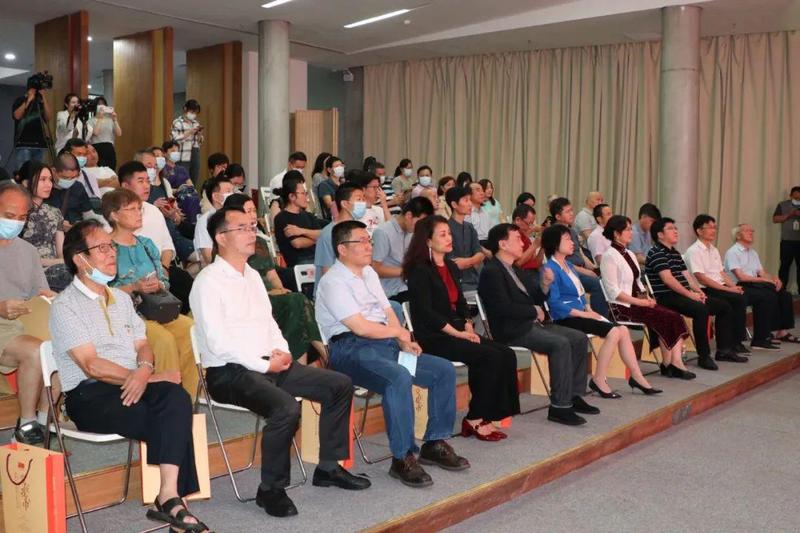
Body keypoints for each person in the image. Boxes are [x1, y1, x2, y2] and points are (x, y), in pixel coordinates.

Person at [190, 207, 369, 517]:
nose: (252, 233)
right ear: (221, 238)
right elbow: (219, 343)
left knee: (339, 385)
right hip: (229, 373)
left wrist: (283, 352)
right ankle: (270, 489)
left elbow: (269, 323)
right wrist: (264, 365)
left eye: (252, 227)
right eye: (242, 228)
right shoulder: (208, 282)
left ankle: (328, 467)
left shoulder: (252, 276)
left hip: (269, 364)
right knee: (286, 407)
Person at [49, 219, 211, 533]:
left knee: (176, 397)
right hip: (90, 395)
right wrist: (141, 378)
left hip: (133, 381)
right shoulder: (65, 306)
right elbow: (91, 365)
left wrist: (145, 370)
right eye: (102, 248)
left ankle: (169, 496)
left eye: (111, 246)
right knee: (168, 416)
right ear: (80, 259)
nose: (112, 253)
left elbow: (142, 346)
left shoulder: (121, 299)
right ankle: (173, 505)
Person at [315, 220, 470, 488]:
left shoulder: (369, 273)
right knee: (398, 377)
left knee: (442, 370)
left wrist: (403, 340)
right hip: (350, 350)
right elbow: (360, 327)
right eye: (362, 241)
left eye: (369, 240)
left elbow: (388, 311)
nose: (369, 246)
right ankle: (402, 457)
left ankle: (434, 442)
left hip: (385, 346)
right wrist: (399, 334)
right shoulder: (333, 282)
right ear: (342, 249)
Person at [404, 216, 519, 440]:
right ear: (428, 241)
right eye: (443, 234)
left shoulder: (450, 265)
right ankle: (474, 418)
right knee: (488, 356)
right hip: (434, 336)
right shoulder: (419, 270)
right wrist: (458, 333)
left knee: (505, 353)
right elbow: (426, 313)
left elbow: (461, 302)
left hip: (457, 330)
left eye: (449, 233)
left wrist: (467, 322)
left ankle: (491, 413)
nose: (449, 238)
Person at [478, 223, 599, 426]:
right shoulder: (492, 271)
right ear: (503, 244)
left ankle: (574, 395)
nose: (522, 243)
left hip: (531, 324)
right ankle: (560, 407)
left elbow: (533, 298)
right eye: (517, 239)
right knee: (559, 343)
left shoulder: (514, 268)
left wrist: (544, 285)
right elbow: (502, 308)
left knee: (578, 338)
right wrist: (533, 311)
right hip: (512, 329)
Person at [542, 224, 660, 398]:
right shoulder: (549, 268)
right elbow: (554, 304)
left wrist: (588, 308)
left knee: (623, 329)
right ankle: (599, 379)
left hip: (581, 313)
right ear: (554, 243)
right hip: (565, 317)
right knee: (614, 331)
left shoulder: (569, 266)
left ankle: (637, 377)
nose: (572, 242)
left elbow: (580, 293)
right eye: (567, 239)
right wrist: (585, 314)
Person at [102, 188, 198, 399]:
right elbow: (101, 291)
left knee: (190, 329)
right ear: (114, 215)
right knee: (163, 340)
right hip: (127, 318)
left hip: (156, 309)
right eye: (131, 209)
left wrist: (158, 284)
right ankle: (168, 399)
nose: (138, 213)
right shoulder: (105, 248)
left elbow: (164, 279)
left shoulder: (146, 244)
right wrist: (133, 287)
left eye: (139, 209)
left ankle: (190, 399)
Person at [223, 194, 325, 362]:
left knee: (297, 303)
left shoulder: (260, 242)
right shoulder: (226, 247)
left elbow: (272, 273)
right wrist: (270, 293)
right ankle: (324, 355)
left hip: (273, 295)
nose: (253, 215)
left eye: (254, 210)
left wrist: (280, 288)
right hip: (252, 300)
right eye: (248, 211)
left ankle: (308, 363)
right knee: (298, 301)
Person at [644, 217, 747, 371]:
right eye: (671, 228)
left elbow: (687, 277)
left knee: (724, 306)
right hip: (666, 297)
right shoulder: (656, 252)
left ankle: (724, 350)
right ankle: (704, 356)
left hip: (681, 294)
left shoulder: (675, 253)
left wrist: (698, 291)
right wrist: (690, 295)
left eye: (676, 228)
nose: (676, 231)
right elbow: (668, 280)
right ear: (660, 234)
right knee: (701, 310)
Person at [599, 215, 694, 380]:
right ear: (616, 233)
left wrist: (648, 298)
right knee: (668, 316)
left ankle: (671, 363)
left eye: (631, 229)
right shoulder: (609, 256)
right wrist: (640, 302)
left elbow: (638, 282)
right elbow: (613, 292)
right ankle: (673, 364)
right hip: (622, 307)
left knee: (673, 315)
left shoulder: (629, 253)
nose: (631, 232)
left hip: (638, 302)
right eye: (627, 229)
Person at [0, 181, 52, 445]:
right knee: (36, 350)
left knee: (66, 341)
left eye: (22, 218)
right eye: (9, 216)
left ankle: (44, 418)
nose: (16, 223)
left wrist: (50, 298)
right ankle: (27, 423)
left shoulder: (28, 251)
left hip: (25, 318)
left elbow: (39, 292)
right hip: (2, 324)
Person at [684, 214, 751, 356]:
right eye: (709, 227)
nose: (713, 230)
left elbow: (721, 273)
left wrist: (732, 286)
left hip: (718, 286)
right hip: (705, 289)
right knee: (734, 300)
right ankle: (727, 346)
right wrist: (728, 289)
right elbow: (702, 278)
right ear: (699, 231)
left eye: (715, 227)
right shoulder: (694, 251)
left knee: (741, 296)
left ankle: (735, 341)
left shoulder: (713, 249)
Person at [726, 223, 797, 347]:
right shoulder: (733, 252)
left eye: (752, 231)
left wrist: (774, 278)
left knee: (784, 294)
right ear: (738, 236)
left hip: (754, 284)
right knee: (767, 296)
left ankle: (781, 331)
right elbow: (741, 277)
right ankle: (761, 337)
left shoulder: (753, 252)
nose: (751, 233)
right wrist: (764, 280)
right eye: (747, 231)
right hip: (739, 286)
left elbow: (762, 273)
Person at [549, 197, 609, 317]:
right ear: (558, 216)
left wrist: (594, 267)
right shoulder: (554, 233)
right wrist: (585, 271)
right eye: (567, 211)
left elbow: (579, 252)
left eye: (571, 210)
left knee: (606, 278)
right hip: (567, 272)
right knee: (597, 284)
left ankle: (607, 315)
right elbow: (559, 261)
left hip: (581, 268)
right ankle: (600, 318)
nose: (572, 213)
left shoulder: (572, 231)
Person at [370, 196, 434, 303]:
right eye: (420, 222)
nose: (421, 227)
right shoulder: (383, 232)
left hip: (410, 285)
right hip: (391, 291)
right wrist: (409, 271)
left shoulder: (412, 232)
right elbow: (376, 269)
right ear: (409, 216)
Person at [20, 161, 71, 291]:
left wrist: (60, 262)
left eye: (50, 180)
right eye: (42, 179)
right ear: (26, 182)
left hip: (57, 268)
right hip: (27, 269)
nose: (48, 184)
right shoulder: (17, 213)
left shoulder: (55, 212)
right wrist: (58, 263)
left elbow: (61, 251)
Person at [313, 183, 365, 289]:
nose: (363, 203)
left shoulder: (360, 230)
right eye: (359, 199)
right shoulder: (328, 234)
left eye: (363, 199)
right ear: (345, 204)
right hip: (335, 291)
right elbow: (326, 274)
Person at [274, 171, 327, 269]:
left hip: (316, 259)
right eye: (303, 193)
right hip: (299, 263)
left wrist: (301, 231)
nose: (306, 197)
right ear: (292, 196)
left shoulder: (308, 216)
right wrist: (316, 239)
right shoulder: (282, 218)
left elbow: (323, 234)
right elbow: (297, 243)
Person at [445, 187, 484, 292]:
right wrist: (474, 260)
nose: (470, 204)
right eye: (466, 200)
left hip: (474, 278)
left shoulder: (469, 226)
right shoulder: (446, 228)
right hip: (458, 281)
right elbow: (455, 264)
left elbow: (480, 254)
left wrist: (469, 261)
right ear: (454, 204)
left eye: (470, 200)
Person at [45, 152, 97, 226]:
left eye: (74, 177)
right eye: (65, 177)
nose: (70, 180)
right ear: (53, 171)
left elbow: (88, 214)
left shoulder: (78, 187)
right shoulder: (43, 188)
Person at [12, 76, 52, 167]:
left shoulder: (40, 102)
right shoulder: (20, 100)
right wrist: (28, 100)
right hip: (24, 144)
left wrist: (44, 98)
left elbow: (48, 118)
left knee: (37, 172)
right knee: (24, 172)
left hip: (40, 144)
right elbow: (17, 116)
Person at [194, 174, 235, 265]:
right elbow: (209, 257)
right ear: (216, 196)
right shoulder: (204, 222)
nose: (233, 195)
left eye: (233, 191)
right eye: (228, 191)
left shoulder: (238, 216)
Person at [161, 140, 201, 225]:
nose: (176, 153)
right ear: (164, 153)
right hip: (171, 197)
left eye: (177, 151)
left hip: (185, 194)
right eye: (173, 151)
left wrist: (186, 188)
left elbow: (191, 185)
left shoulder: (181, 169)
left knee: (193, 197)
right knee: (189, 199)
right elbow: (163, 187)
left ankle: (194, 224)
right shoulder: (162, 169)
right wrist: (177, 190)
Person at [772, 186, 800, 293]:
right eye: (796, 197)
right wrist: (790, 214)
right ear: (790, 195)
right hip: (787, 241)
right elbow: (775, 219)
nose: (797, 199)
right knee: (784, 266)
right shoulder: (782, 205)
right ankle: (781, 291)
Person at [170, 99, 204, 183]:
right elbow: (174, 139)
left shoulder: (195, 123)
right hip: (183, 154)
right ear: (185, 109)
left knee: (194, 178)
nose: (194, 114)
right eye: (192, 112)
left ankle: (192, 191)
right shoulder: (177, 122)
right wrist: (189, 132)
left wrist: (200, 135)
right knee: (183, 180)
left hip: (195, 153)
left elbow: (199, 142)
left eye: (195, 113)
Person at [64, 138, 102, 207]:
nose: (82, 158)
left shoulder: (90, 177)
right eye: (79, 154)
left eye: (84, 155)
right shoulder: (57, 176)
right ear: (67, 154)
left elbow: (97, 203)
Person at [86, 96, 120, 170]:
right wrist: (100, 118)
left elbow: (119, 133)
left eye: (103, 104)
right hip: (97, 148)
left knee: (111, 169)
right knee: (99, 170)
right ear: (95, 106)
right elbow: (96, 133)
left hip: (109, 147)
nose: (102, 106)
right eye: (99, 104)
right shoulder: (90, 121)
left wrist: (115, 120)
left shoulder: (110, 120)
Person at [511, 204, 544, 278]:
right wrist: (534, 245)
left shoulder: (525, 237)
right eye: (529, 223)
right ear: (518, 220)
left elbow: (536, 263)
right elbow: (517, 264)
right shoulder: (510, 236)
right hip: (521, 275)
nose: (530, 227)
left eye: (532, 224)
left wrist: (543, 247)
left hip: (534, 273)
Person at [356, 171, 389, 235]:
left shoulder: (379, 210)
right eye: (374, 187)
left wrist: (384, 204)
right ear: (363, 190)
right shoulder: (357, 210)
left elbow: (391, 229)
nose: (377, 191)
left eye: (378, 187)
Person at [317, 156, 344, 221]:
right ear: (329, 170)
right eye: (337, 166)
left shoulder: (343, 184)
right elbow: (329, 204)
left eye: (341, 165)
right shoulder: (324, 185)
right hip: (332, 218)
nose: (340, 168)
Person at [311, 151, 332, 216]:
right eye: (327, 161)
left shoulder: (330, 177)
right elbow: (326, 187)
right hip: (321, 212)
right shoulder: (317, 176)